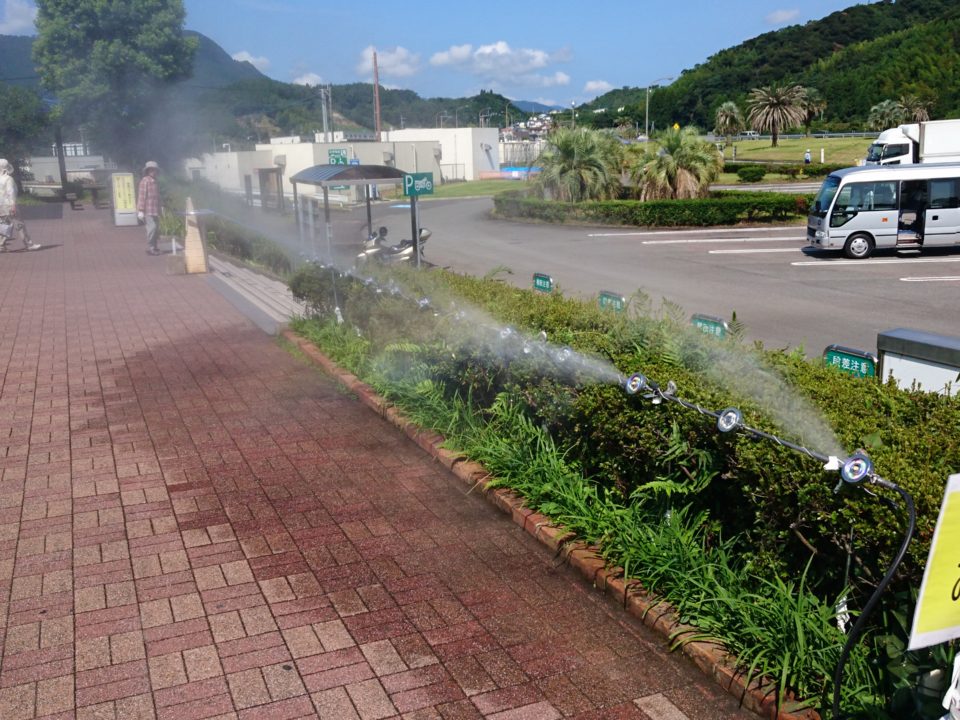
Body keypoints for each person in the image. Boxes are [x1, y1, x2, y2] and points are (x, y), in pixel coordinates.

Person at [0, 158, 41, 252]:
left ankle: (1, 246)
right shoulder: (8, 179)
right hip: (9, 205)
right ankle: (29, 244)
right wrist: (13, 205)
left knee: (4, 225)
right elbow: (11, 192)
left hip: (0, 207)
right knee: (20, 225)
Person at [137, 160, 162, 255]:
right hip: (147, 210)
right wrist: (140, 210)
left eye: (154, 170)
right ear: (147, 171)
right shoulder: (145, 181)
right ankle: (151, 247)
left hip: (155, 209)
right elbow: (142, 195)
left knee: (156, 229)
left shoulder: (156, 181)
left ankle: (155, 247)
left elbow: (158, 196)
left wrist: (161, 207)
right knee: (152, 228)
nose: (153, 171)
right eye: (151, 170)